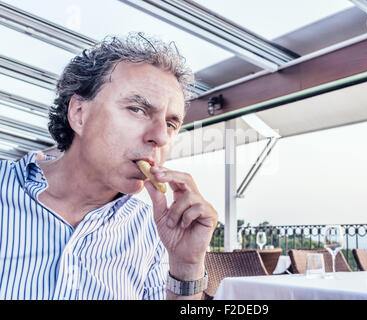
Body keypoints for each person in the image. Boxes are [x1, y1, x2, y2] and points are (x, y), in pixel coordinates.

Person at [0, 33, 218, 300]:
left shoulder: (156, 232)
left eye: (171, 124)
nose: (160, 137)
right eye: (137, 109)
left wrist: (186, 268)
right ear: (80, 114)